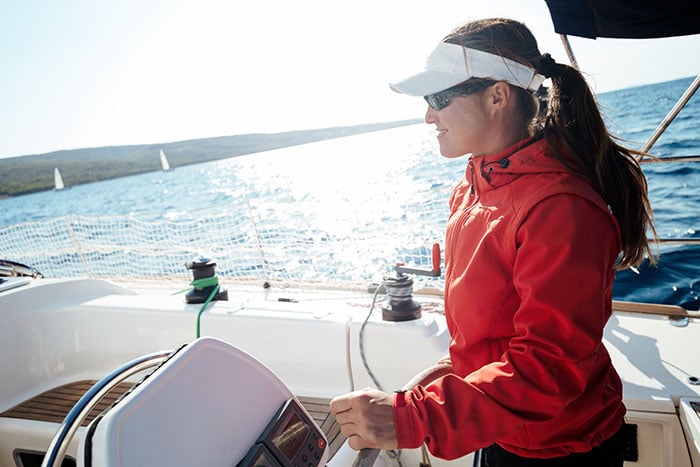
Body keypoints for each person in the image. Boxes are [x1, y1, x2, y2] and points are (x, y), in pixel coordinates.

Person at [329, 17, 656, 466]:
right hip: (501, 430)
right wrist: (443, 380)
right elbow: (495, 331)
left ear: (498, 95)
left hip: (561, 448)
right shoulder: (471, 189)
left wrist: (414, 417)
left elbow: (550, 364)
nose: (428, 115)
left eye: (439, 98)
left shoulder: (560, 207)